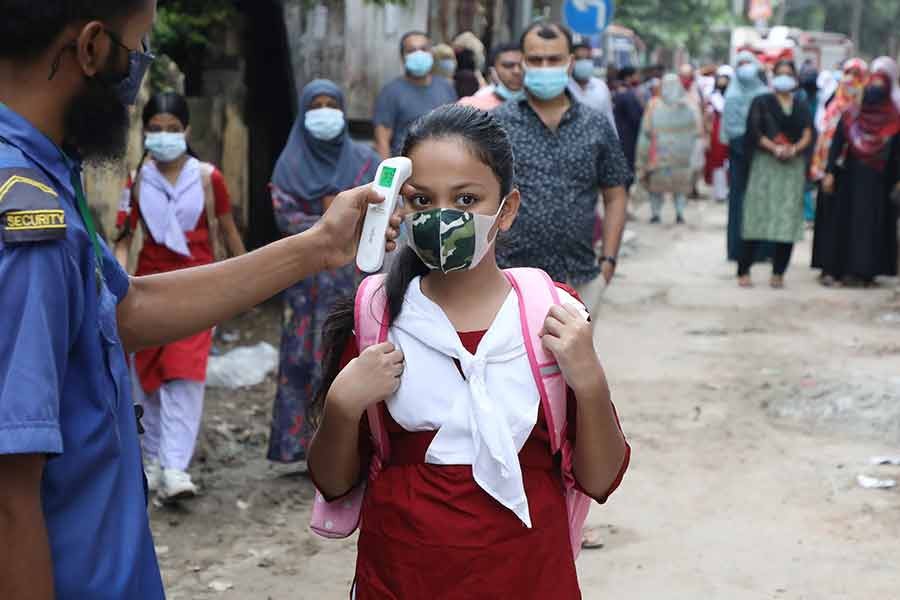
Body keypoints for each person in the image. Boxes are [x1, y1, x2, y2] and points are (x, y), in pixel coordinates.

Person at [0, 2, 401, 597]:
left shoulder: (48, 166)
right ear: (89, 48)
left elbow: (124, 310)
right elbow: (9, 491)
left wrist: (318, 246)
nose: (139, 76)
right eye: (138, 51)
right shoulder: (25, 218)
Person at [306, 104, 630, 598]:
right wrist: (342, 406)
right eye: (422, 201)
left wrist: (590, 384)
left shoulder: (553, 317)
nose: (443, 217)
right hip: (401, 578)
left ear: (508, 209)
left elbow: (601, 480)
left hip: (529, 576)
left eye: (466, 199)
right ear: (400, 208)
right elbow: (333, 482)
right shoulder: (377, 318)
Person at [114, 92, 246, 500]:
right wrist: (117, 277)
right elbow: (123, 237)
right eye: (155, 129)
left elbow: (227, 231)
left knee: (183, 374)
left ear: (186, 131)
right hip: (148, 286)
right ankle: (152, 460)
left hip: (198, 287)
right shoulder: (134, 181)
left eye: (172, 129)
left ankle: (175, 467)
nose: (164, 136)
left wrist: (249, 281)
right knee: (147, 375)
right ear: (144, 132)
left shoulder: (208, 177)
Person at [267, 80, 381, 463]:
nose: (324, 111)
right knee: (302, 360)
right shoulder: (290, 164)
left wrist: (330, 218)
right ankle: (300, 447)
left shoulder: (367, 163)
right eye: (315, 104)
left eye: (331, 103)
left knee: (351, 356)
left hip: (355, 282)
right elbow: (285, 218)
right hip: (303, 281)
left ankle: (354, 448)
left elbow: (383, 214)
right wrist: (335, 219)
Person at [492, 21, 630, 305]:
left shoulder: (595, 124)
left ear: (569, 63)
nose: (544, 66)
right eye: (535, 59)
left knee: (574, 351)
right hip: (510, 278)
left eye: (553, 59)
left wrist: (609, 262)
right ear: (523, 63)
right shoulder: (496, 124)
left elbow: (615, 194)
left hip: (580, 276)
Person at [817, 72, 900, 286]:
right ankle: (842, 270)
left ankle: (867, 273)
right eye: (873, 85)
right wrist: (830, 172)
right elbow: (837, 145)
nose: (875, 90)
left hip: (879, 183)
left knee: (872, 227)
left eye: (881, 86)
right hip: (850, 180)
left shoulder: (894, 120)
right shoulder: (851, 115)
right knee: (847, 224)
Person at [738, 60, 813, 288]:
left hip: (792, 168)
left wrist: (794, 149)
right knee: (757, 216)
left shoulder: (801, 104)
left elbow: (808, 132)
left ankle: (779, 272)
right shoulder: (761, 102)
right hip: (765, 165)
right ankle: (744, 269)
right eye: (780, 74)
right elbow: (754, 130)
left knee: (787, 219)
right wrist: (775, 148)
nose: (784, 78)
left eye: (788, 74)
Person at [810, 59, 869, 275]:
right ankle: (827, 267)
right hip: (830, 171)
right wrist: (825, 171)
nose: (851, 79)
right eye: (848, 73)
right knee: (828, 218)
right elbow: (824, 139)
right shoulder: (834, 106)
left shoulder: (865, 110)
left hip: (853, 173)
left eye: (856, 74)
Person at [373, 30, 457, 158]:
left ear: (431, 54)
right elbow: (382, 141)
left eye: (424, 49)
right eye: (412, 50)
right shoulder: (390, 92)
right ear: (402, 57)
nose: (419, 54)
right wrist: (387, 177)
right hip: (407, 170)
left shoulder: (446, 87)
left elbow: (457, 130)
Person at [636, 74, 704, 224]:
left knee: (663, 186)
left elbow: (646, 130)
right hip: (676, 156)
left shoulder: (656, 104)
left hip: (664, 156)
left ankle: (659, 214)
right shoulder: (688, 104)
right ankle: (675, 213)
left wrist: (643, 155)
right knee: (671, 186)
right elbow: (697, 131)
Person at [721, 51, 769, 261]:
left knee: (760, 201)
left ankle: (761, 251)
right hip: (741, 152)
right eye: (740, 64)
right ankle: (738, 250)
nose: (745, 68)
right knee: (740, 201)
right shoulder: (732, 95)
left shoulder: (765, 93)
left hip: (762, 152)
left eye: (748, 63)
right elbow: (731, 130)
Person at [458, 42, 524, 111]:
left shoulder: (534, 107)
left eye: (522, 65)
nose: (517, 71)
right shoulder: (470, 106)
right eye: (508, 66)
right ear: (493, 70)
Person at [567, 39, 616, 132]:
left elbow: (609, 119)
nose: (584, 62)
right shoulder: (563, 88)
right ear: (571, 61)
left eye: (588, 59)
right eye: (579, 59)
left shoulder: (601, 87)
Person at [612, 66, 645, 182]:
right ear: (628, 77)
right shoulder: (627, 95)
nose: (638, 77)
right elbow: (636, 118)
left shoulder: (620, 92)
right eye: (636, 75)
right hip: (628, 136)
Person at [705, 65, 733, 203]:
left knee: (730, 161)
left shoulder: (734, 97)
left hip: (731, 130)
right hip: (716, 132)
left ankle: (730, 190)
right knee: (718, 162)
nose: (722, 81)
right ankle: (720, 192)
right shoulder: (712, 96)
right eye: (721, 78)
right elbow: (708, 117)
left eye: (725, 79)